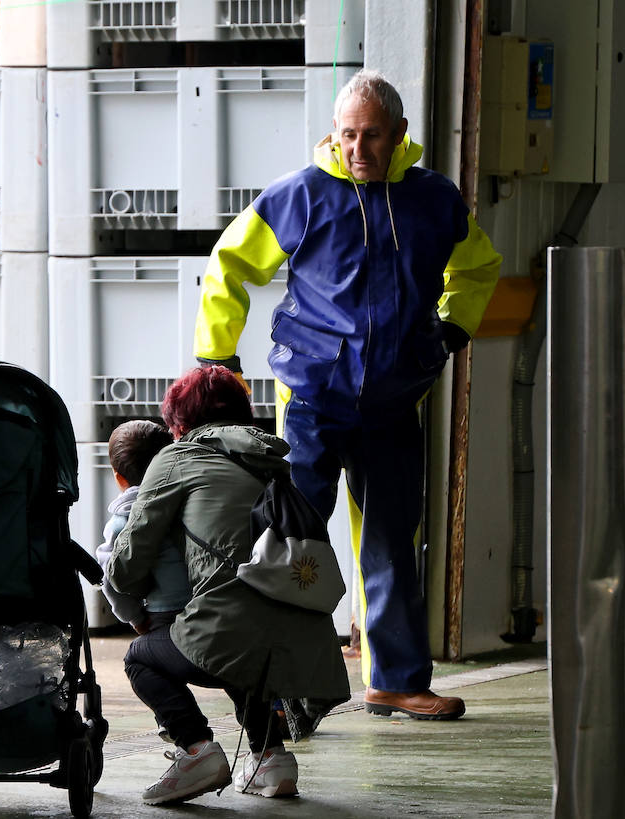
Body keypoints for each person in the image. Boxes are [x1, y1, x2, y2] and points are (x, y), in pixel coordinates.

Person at [192, 69, 502, 720]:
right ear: (333, 135)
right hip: (311, 399)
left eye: (371, 137)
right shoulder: (303, 195)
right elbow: (230, 264)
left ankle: (396, 678)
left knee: (392, 540)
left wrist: (452, 328)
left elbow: (477, 265)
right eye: (346, 136)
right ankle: (273, 689)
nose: (357, 150)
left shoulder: (433, 200)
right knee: (290, 546)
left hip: (392, 401)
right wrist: (219, 355)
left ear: (400, 136)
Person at [106, 366, 351, 805]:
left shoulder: (177, 458)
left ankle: (197, 749)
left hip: (235, 636)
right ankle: (270, 758)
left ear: (178, 422)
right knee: (242, 632)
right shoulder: (274, 464)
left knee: (143, 657)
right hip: (302, 650)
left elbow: (127, 566)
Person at [94, 420, 189, 634]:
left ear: (118, 478)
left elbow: (110, 580)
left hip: (163, 612)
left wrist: (135, 618)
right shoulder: (186, 501)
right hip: (202, 604)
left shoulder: (122, 521)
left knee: (137, 660)